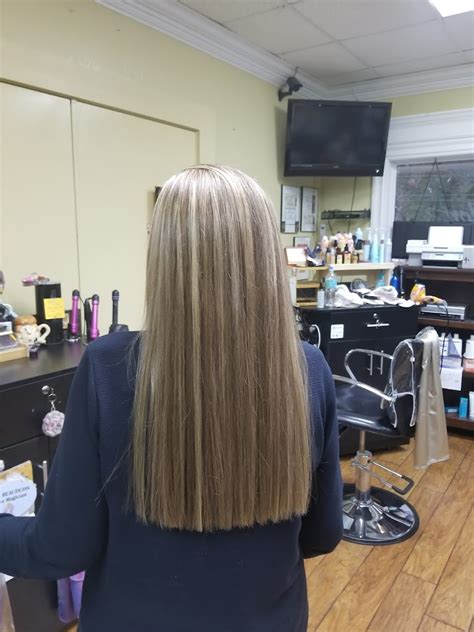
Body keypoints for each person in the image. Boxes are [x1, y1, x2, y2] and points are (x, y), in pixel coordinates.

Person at [0, 165, 342, 631]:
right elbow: (323, 534)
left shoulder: (107, 368)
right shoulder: (310, 369)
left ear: (165, 257)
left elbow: (59, 548)